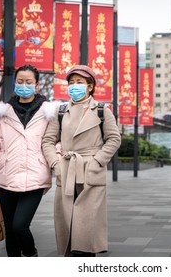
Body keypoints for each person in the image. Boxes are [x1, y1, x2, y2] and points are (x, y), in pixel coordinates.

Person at [42, 65, 121, 257]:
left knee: (87, 225)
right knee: (67, 221)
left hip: (91, 170)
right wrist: (56, 164)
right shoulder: (61, 111)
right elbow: (48, 140)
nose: (74, 86)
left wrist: (97, 161)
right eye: (71, 83)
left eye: (79, 82)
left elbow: (114, 138)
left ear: (90, 86)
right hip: (67, 170)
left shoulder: (102, 110)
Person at [0, 64, 58, 257]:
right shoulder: (2, 114)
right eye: (20, 81)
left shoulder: (49, 113)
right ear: (15, 83)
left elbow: (56, 142)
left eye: (29, 82)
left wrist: (54, 161)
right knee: (10, 228)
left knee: (20, 225)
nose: (24, 85)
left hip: (35, 177)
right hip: (6, 177)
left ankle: (31, 255)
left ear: (37, 85)